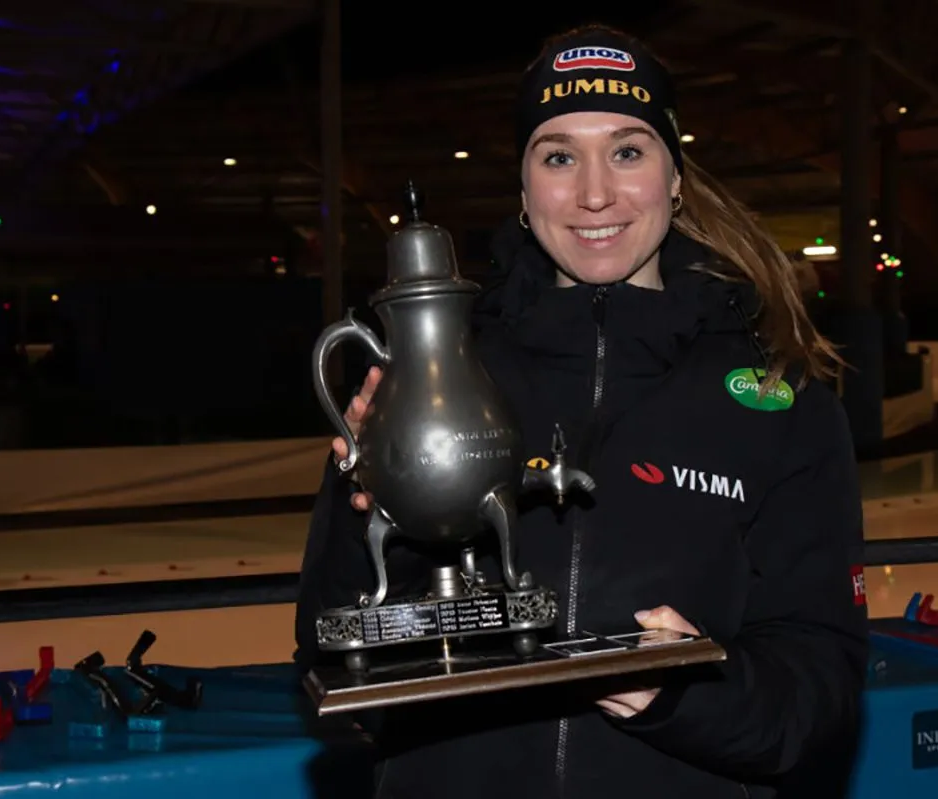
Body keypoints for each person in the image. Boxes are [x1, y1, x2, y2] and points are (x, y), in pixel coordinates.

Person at [294, 23, 868, 799]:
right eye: (559, 156)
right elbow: (331, 651)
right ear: (524, 190)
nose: (595, 194)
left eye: (628, 151)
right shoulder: (436, 384)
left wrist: (682, 692)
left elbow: (819, 692)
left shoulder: (780, 401)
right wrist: (366, 486)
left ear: (674, 177)